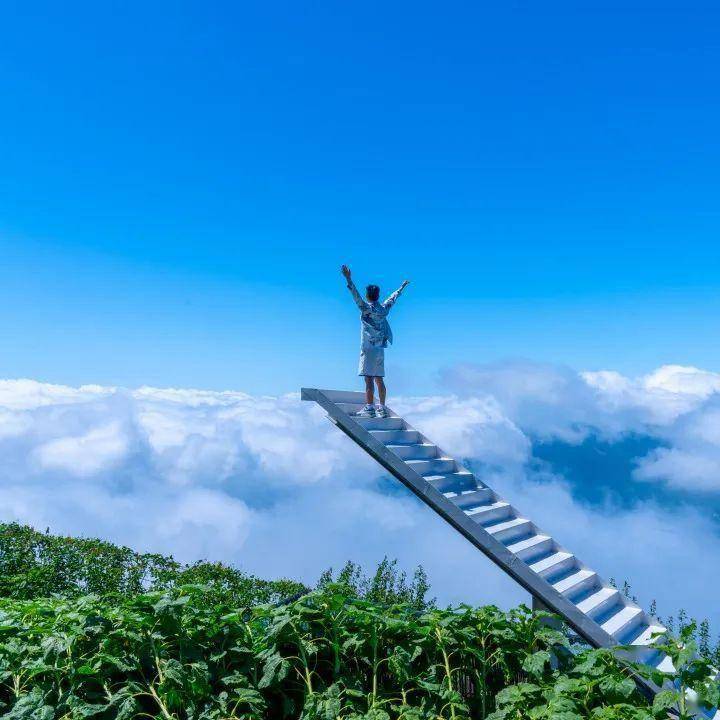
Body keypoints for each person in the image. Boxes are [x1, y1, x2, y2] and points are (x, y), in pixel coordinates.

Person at [341, 264, 410, 417]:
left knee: (368, 379)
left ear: (368, 296)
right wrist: (401, 287)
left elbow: (355, 296)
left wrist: (348, 278)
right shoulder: (383, 310)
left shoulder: (365, 308)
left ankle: (370, 407)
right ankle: (382, 408)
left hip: (367, 348)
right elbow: (393, 298)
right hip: (379, 349)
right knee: (379, 379)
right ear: (378, 295)